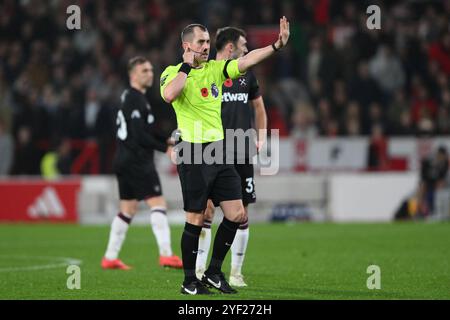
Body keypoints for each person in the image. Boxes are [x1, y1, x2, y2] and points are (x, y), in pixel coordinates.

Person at [160, 17, 289, 295]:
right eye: (201, 42)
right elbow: (170, 94)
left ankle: (214, 271)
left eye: (208, 41)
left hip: (219, 152)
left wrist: (275, 46)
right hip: (193, 154)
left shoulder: (216, 69)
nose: (206, 46)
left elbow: (247, 61)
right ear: (187, 45)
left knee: (237, 213)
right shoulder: (172, 72)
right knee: (195, 218)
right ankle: (188, 282)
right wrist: (186, 65)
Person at [195, 27, 267, 288]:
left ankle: (236, 271)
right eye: (243, 44)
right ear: (229, 47)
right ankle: (201, 267)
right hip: (212, 150)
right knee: (206, 211)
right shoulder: (205, 73)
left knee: (241, 213)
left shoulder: (246, 74)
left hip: (241, 151)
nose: (246, 49)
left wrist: (261, 136)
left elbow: (258, 106)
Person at [101, 56, 182, 270]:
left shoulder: (134, 98)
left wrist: (166, 139)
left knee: (127, 209)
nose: (150, 74)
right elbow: (138, 135)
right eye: (144, 71)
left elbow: (148, 130)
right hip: (136, 160)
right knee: (158, 203)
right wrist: (165, 148)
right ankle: (166, 254)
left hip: (123, 159)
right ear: (133, 75)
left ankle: (110, 257)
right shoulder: (135, 99)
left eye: (150, 70)